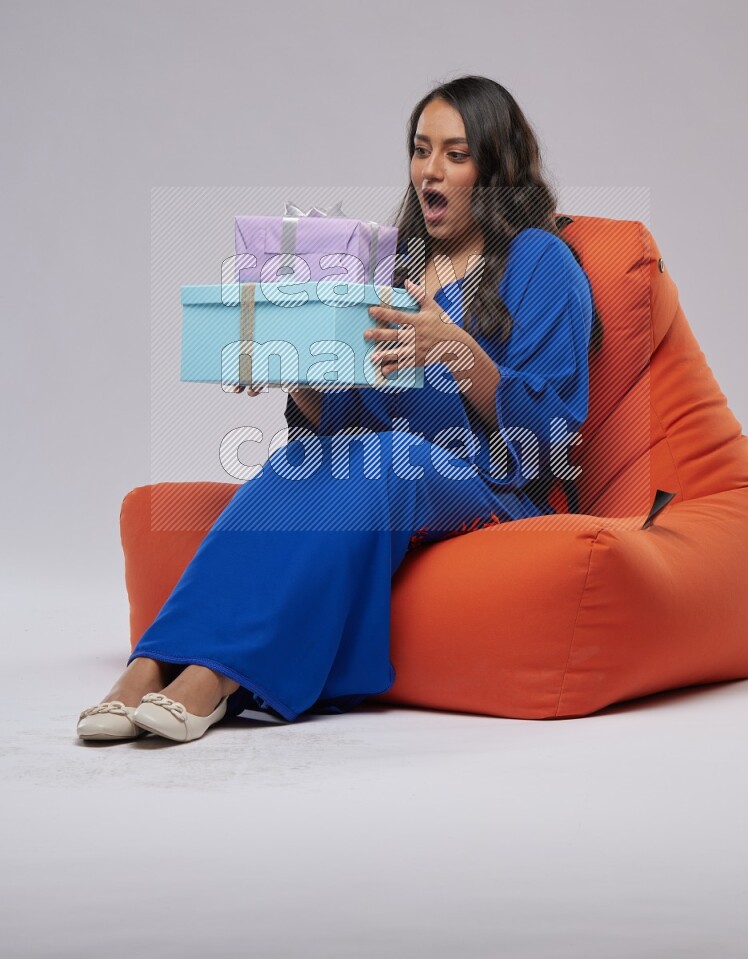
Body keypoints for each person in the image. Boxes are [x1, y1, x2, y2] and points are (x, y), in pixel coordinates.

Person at [76, 75, 601, 744]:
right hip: (392, 475)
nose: (429, 170)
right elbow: (343, 425)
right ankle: (151, 662)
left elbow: (554, 438)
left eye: (455, 153)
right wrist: (300, 376)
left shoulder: (541, 261)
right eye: (420, 149)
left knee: (393, 455)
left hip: (496, 488)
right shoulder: (391, 268)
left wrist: (460, 353)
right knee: (299, 457)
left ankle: (220, 677)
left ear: (495, 168)